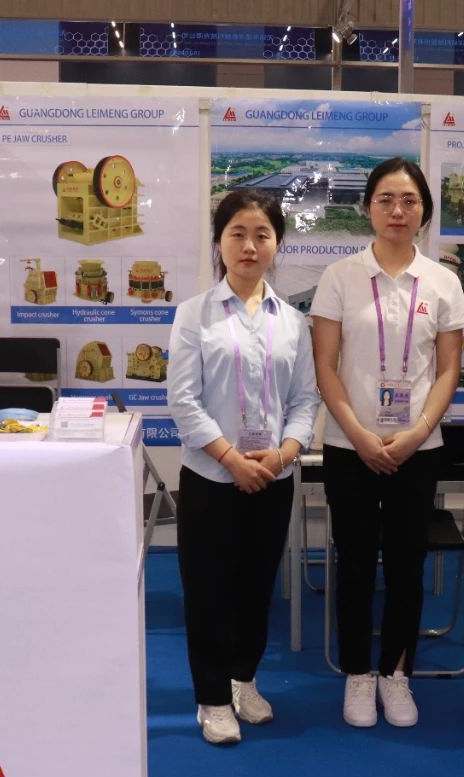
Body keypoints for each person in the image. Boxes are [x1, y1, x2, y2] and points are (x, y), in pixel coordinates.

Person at [311, 157, 464, 728]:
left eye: (409, 200)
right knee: (353, 562)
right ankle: (358, 672)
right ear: (367, 208)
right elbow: (325, 367)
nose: (398, 210)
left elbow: (448, 369)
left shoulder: (443, 282)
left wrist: (418, 432)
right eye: (386, 199)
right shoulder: (340, 277)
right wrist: (358, 434)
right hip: (349, 445)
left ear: (424, 211)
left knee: (406, 563)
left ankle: (397, 673)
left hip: (416, 448)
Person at [168, 189, 320, 745]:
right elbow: (183, 401)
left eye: (262, 235)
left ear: (277, 244)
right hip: (211, 478)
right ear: (219, 242)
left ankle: (244, 681)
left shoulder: (294, 322)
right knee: (207, 589)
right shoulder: (194, 314)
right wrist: (233, 460)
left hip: (272, 478)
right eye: (237, 234)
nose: (249, 246)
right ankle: (211, 698)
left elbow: (305, 400)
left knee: (256, 586)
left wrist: (282, 454)